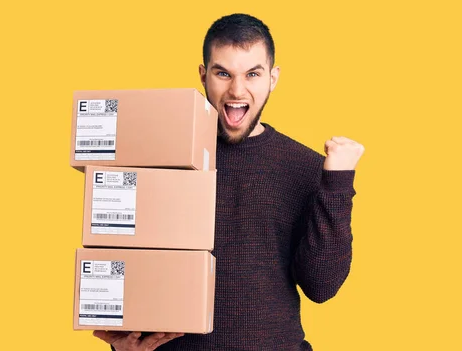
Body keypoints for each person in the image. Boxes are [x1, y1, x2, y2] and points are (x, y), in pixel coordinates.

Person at [93, 13, 364, 351]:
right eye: (223, 73)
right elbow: (125, 265)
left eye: (253, 73)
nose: (237, 90)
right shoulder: (161, 157)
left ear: (273, 78)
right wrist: (124, 345)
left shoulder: (306, 166)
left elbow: (321, 287)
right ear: (204, 76)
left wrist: (337, 184)